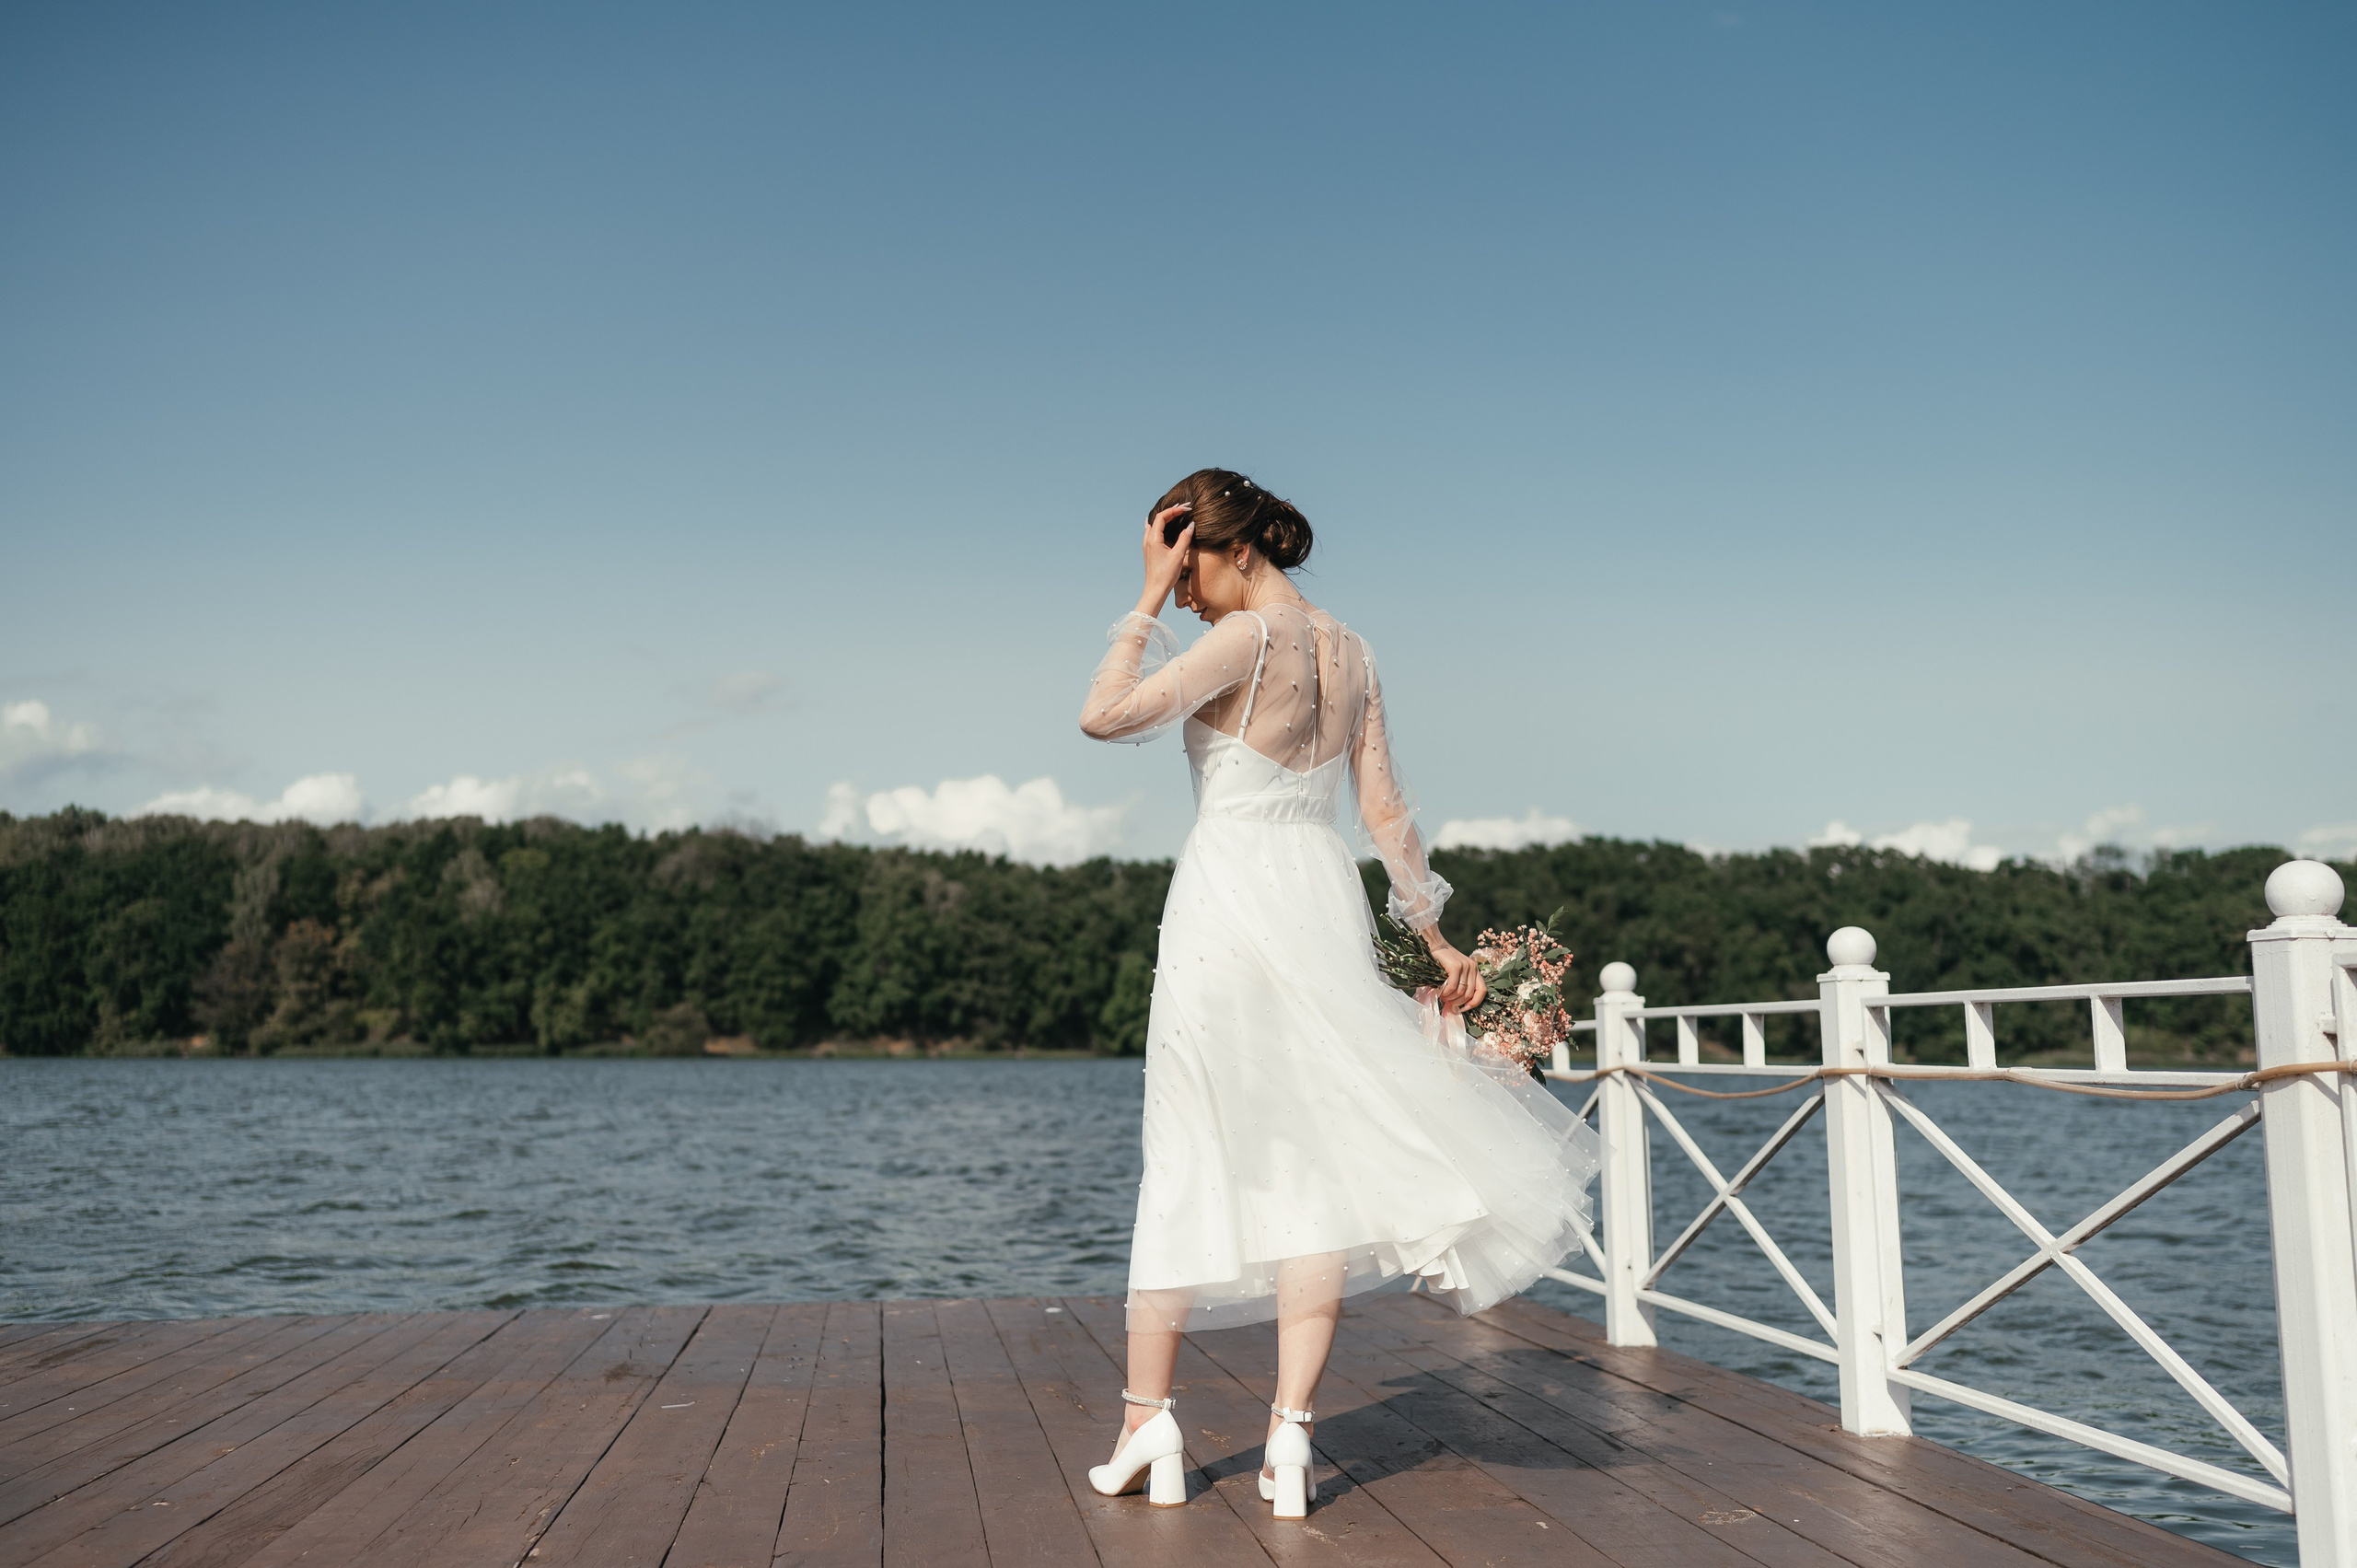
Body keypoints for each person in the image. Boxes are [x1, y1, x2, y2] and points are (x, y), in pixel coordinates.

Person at [1075, 468, 1602, 1519]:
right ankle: (1289, 1439)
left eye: (1186, 566)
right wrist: (1433, 934)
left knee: (1189, 1144)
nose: (1182, 591)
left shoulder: (1247, 639)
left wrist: (1137, 601)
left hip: (1229, 895)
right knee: (1312, 1154)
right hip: (1318, 891)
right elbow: (1386, 811)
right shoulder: (1352, 649)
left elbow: (1103, 716)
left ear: (1222, 546)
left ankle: (1147, 1422)